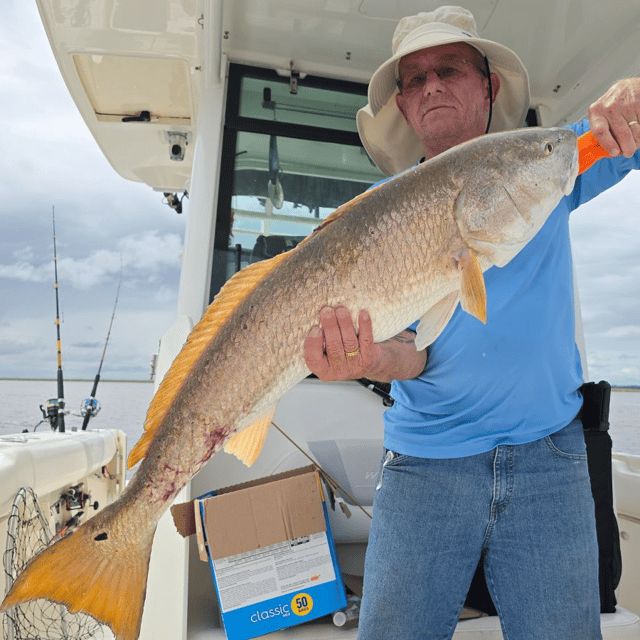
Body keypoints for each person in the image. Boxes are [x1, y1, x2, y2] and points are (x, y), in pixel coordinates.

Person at [303, 7, 640, 640]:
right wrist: (368, 359)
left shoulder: (541, 162)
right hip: (424, 464)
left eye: (450, 68)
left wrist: (634, 93)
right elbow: (412, 355)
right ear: (403, 107)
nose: (431, 85)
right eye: (414, 78)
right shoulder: (385, 220)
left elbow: (630, 131)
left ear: (487, 86)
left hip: (551, 456)